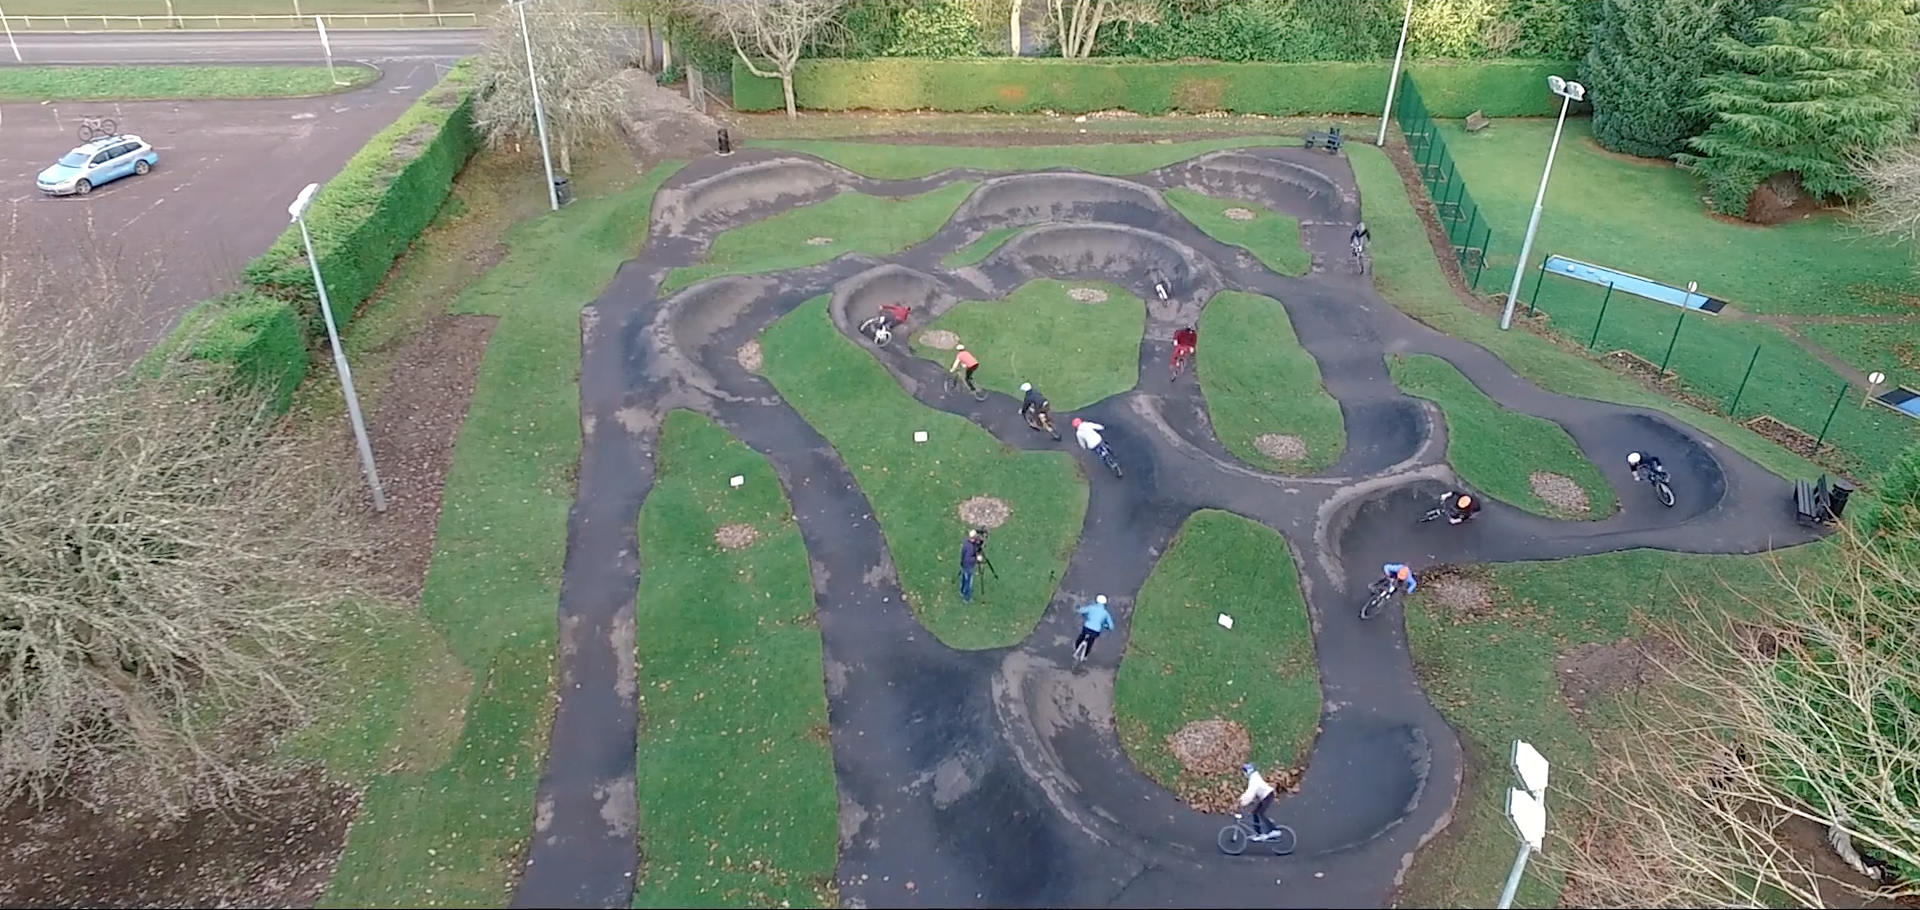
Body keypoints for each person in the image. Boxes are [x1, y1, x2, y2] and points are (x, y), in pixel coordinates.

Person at [1238, 763, 1279, 840]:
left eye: (1244, 772)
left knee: (1260, 813)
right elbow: (1250, 792)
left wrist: (1242, 801)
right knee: (1255, 813)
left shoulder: (1254, 780)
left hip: (1267, 796)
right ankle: (1258, 833)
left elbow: (1250, 793)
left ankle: (1274, 830)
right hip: (1265, 797)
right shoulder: (1254, 777)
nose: (1243, 774)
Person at [958, 528, 984, 603]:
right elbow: (968, 559)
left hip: (963, 564)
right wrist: (977, 558)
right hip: (968, 566)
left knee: (964, 579)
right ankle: (967, 598)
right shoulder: (970, 548)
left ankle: (962, 591)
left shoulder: (966, 542)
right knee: (968, 582)